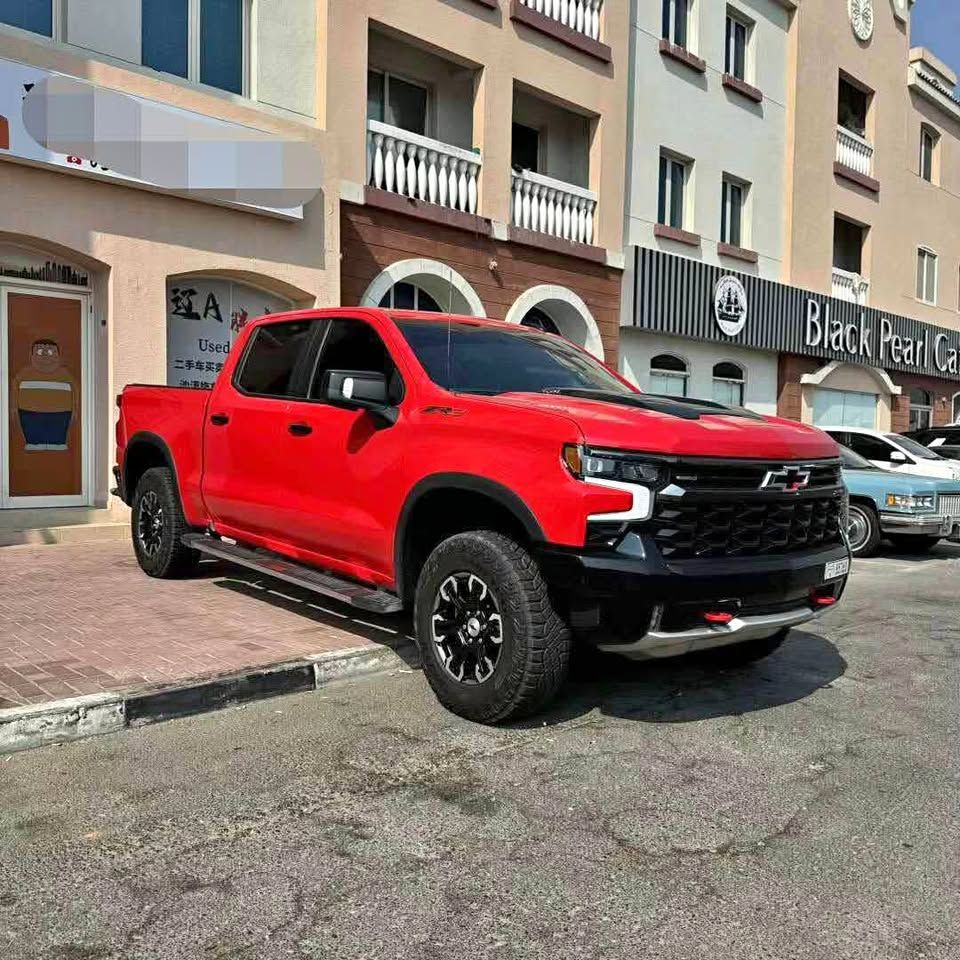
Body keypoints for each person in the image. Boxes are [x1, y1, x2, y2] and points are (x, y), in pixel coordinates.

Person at [14, 338, 77, 451]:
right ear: (32, 355)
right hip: (29, 413)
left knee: (57, 429)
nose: (44, 356)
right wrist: (13, 408)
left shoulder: (65, 375)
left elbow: (75, 393)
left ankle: (58, 441)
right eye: (39, 352)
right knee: (33, 429)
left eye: (50, 352)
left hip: (60, 414)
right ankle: (33, 441)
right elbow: (15, 390)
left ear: (58, 356)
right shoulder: (24, 373)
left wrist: (75, 410)